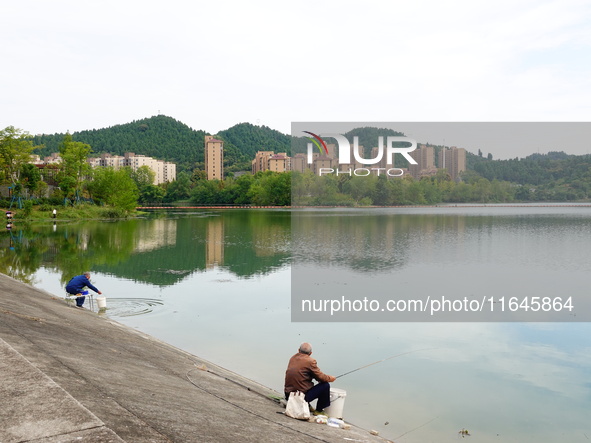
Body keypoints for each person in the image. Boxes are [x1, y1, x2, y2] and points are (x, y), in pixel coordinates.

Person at [284, 342, 336, 413]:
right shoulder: (311, 361)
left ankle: (307, 405)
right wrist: (331, 378)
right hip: (300, 397)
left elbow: (302, 373)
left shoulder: (293, 358)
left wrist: (319, 378)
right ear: (310, 353)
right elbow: (321, 377)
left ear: (298, 350)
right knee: (325, 385)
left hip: (288, 395)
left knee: (303, 384)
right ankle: (319, 410)